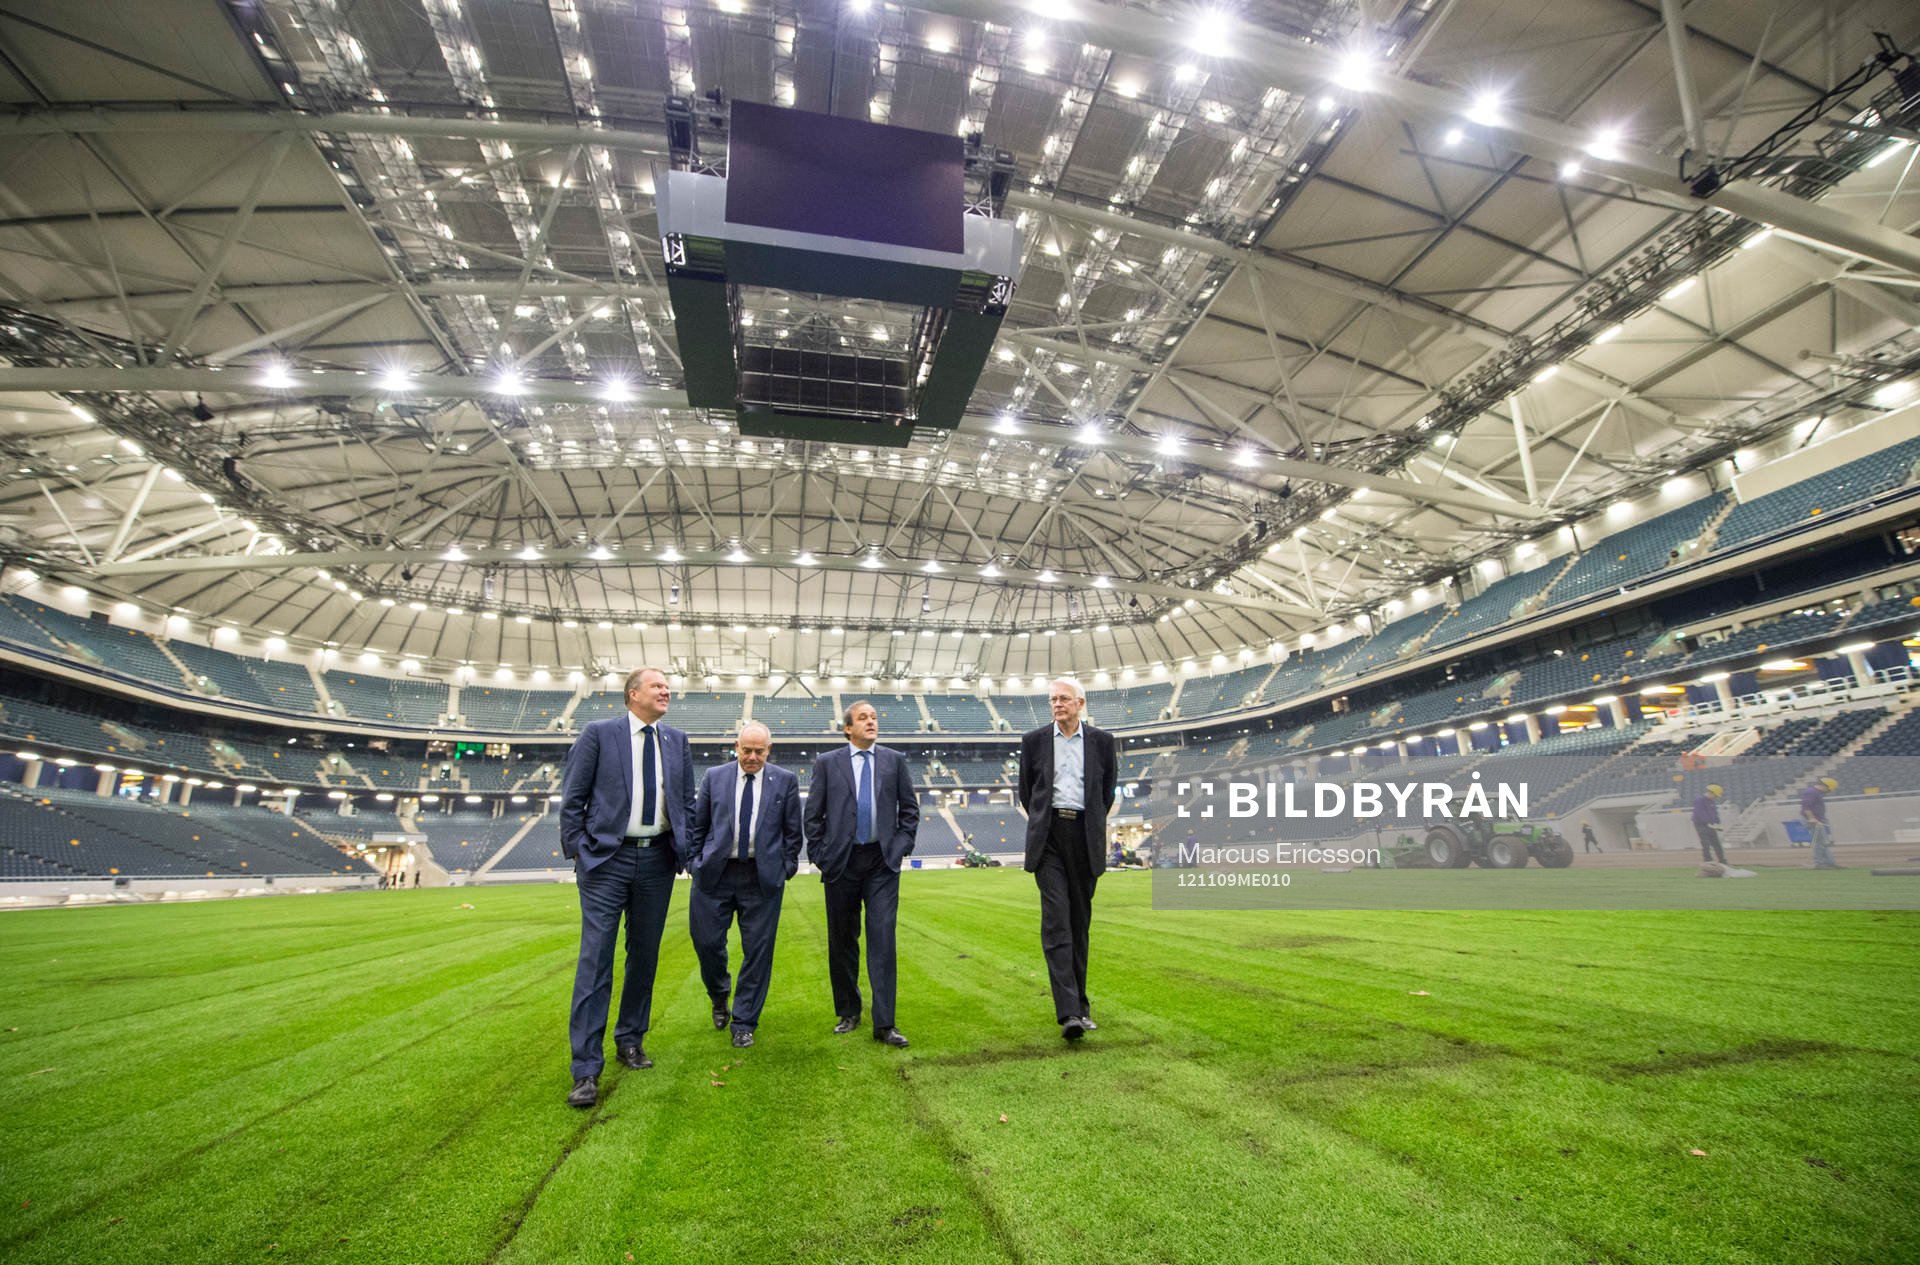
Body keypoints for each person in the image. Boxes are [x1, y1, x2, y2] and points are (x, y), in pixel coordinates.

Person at [557, 667, 695, 1108]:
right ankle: (585, 1068)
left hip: (656, 859)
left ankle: (631, 1039)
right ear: (633, 694)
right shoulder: (600, 734)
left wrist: (683, 849)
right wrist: (580, 850)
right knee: (596, 959)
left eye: (667, 687)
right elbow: (572, 797)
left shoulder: (677, 741)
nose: (665, 691)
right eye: (657, 685)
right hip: (606, 861)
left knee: (644, 956)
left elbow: (686, 802)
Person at [805, 700, 919, 1048]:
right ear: (847, 728)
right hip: (842, 864)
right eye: (863, 718)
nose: (871, 722)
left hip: (882, 863)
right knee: (842, 941)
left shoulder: (894, 761)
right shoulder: (827, 764)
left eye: (874, 717)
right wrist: (823, 858)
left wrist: (898, 850)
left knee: (882, 939)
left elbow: (910, 811)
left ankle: (885, 1023)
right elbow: (813, 817)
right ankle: (848, 1011)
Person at [687, 722, 803, 1048]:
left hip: (761, 878)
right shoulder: (714, 777)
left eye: (759, 751)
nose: (752, 757)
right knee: (707, 943)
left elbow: (793, 833)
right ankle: (719, 993)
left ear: (769, 750)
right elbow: (699, 825)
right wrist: (695, 863)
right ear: (736, 747)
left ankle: (744, 1021)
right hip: (715, 874)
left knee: (758, 952)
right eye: (746, 750)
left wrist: (785, 869)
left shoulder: (785, 781)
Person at [1017, 678, 1118, 1041]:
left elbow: (1105, 793)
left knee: (1079, 925)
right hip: (1049, 840)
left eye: (1063, 699)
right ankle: (1070, 1013)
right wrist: (1049, 822)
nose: (1057, 704)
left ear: (1080, 703)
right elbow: (1028, 793)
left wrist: (1086, 825)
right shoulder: (1034, 742)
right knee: (1057, 922)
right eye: (1053, 700)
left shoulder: (1102, 743)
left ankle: (1082, 1005)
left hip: (1084, 840)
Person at [1800, 777, 1843, 869]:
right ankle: (1819, 863)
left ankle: (1829, 863)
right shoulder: (1811, 792)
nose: (1828, 791)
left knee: (1823, 842)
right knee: (1820, 842)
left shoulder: (1816, 793)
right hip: (1812, 820)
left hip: (1818, 820)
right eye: (1829, 789)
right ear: (1826, 786)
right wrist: (1811, 818)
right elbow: (1806, 807)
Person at [1691, 784, 1727, 865]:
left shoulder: (1711, 801)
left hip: (1710, 825)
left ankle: (1723, 860)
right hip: (1701, 825)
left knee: (1716, 843)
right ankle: (1708, 861)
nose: (1716, 797)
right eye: (1715, 795)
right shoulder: (1699, 800)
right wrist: (1707, 822)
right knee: (1705, 843)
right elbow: (1699, 813)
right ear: (1711, 793)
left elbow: (1714, 812)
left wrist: (1717, 822)